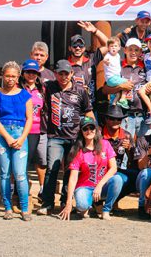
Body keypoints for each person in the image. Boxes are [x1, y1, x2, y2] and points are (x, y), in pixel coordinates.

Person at [38, 60, 94, 215]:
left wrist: (93, 132)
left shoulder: (80, 91)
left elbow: (88, 112)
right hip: (55, 136)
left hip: (75, 137)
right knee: (52, 169)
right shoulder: (49, 88)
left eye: (66, 73)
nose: (63, 76)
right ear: (55, 74)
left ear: (71, 74)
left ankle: (65, 202)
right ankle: (48, 203)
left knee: (70, 169)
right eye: (60, 73)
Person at [0, 61, 33, 221]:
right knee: (5, 174)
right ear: (3, 76)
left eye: (13, 76)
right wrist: (7, 137)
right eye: (7, 76)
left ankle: (24, 208)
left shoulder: (25, 95)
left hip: (20, 134)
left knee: (20, 173)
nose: (10, 79)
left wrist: (22, 138)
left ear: (18, 77)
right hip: (2, 135)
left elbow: (29, 118)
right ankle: (7, 207)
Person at [58, 117, 122, 221]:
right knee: (82, 205)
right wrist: (68, 203)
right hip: (85, 187)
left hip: (102, 186)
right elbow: (73, 178)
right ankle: (91, 205)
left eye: (91, 128)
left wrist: (99, 186)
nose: (89, 131)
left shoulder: (105, 144)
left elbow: (113, 168)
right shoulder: (77, 151)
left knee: (117, 180)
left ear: (96, 130)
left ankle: (106, 210)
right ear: (81, 132)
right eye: (85, 129)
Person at [103, 38, 148, 140]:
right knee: (125, 147)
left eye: (136, 50)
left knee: (144, 147)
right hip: (125, 115)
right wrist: (120, 87)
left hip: (143, 115)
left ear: (140, 52)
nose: (133, 53)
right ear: (125, 50)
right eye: (130, 49)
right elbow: (105, 89)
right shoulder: (118, 65)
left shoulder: (145, 66)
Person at [19, 60, 47, 199]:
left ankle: (42, 189)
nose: (31, 75)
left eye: (34, 72)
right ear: (23, 73)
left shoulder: (42, 89)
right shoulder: (18, 88)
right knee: (21, 161)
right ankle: (18, 191)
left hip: (39, 129)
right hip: (22, 130)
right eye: (28, 72)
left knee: (41, 161)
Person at [68, 21, 109, 104]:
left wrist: (95, 31)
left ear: (84, 48)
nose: (78, 48)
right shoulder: (65, 65)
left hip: (91, 107)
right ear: (70, 48)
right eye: (75, 45)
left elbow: (108, 45)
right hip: (73, 108)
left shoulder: (91, 59)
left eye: (81, 45)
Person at [103, 36, 129, 108]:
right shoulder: (108, 55)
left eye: (115, 46)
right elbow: (105, 60)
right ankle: (123, 99)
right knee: (127, 83)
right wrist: (106, 62)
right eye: (111, 46)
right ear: (108, 48)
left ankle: (114, 103)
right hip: (111, 78)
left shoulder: (117, 55)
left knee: (117, 92)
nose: (113, 48)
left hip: (116, 77)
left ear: (119, 47)